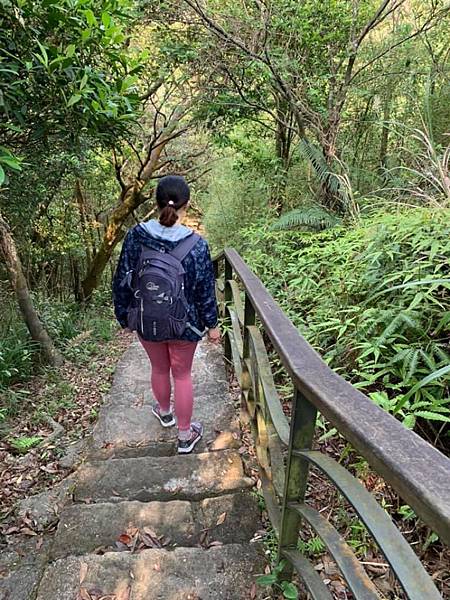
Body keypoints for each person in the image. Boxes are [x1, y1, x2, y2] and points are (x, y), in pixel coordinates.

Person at [112, 175, 220, 454]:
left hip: (148, 319)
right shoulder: (196, 245)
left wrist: (124, 315)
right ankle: (185, 436)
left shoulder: (136, 235)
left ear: (156, 201)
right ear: (188, 204)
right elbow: (205, 288)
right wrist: (212, 324)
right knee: (182, 375)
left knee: (159, 368)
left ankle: (164, 412)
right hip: (185, 323)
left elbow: (123, 277)